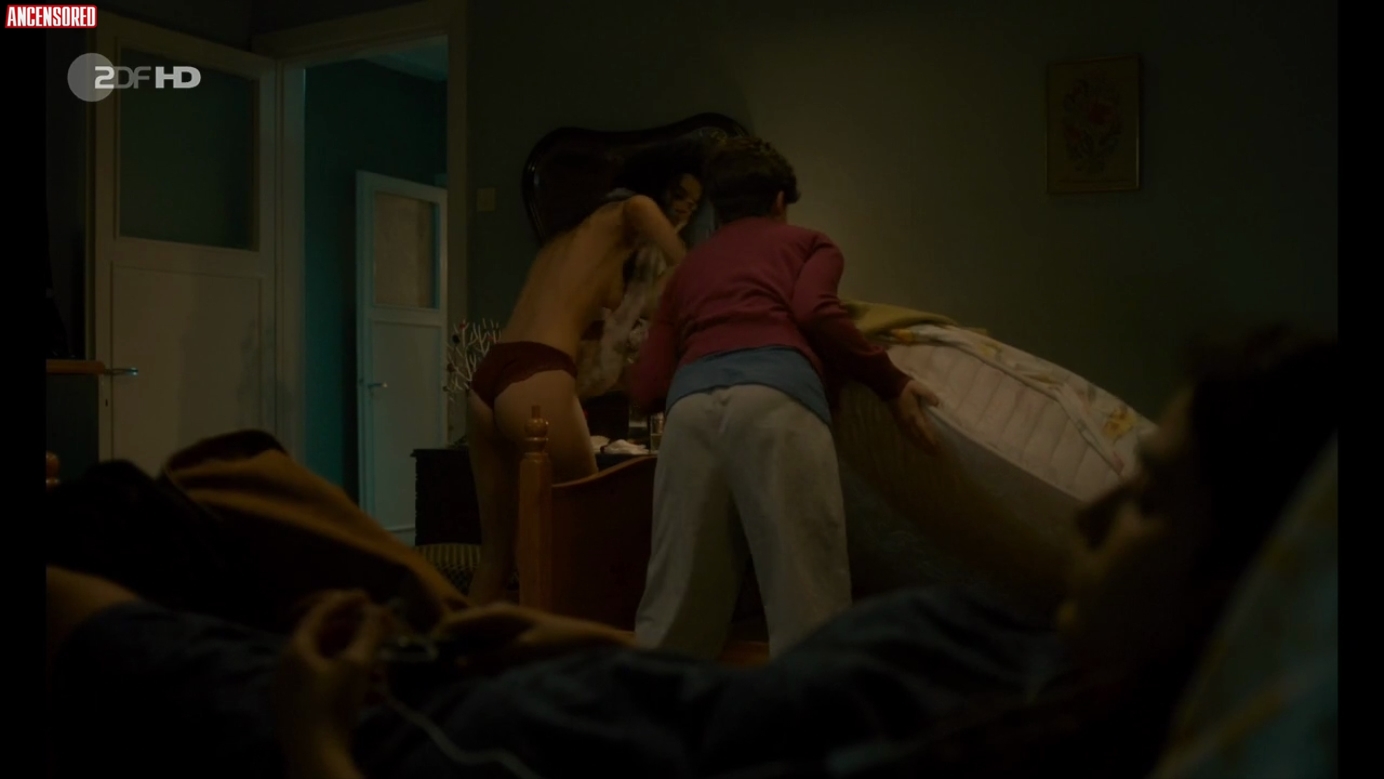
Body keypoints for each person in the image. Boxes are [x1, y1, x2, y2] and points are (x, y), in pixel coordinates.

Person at [44, 325, 1337, 779]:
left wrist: (320, 744)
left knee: (103, 559)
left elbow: (687, 339)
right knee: (170, 497)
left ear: (1244, 593)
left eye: (1149, 504)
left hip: (422, 735)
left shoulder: (1011, 736)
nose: (1095, 515)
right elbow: (763, 699)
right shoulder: (1023, 655)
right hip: (512, 665)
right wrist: (574, 635)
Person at [627, 136, 943, 658]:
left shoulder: (686, 272)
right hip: (777, 401)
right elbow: (815, 310)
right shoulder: (810, 244)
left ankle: (656, 706)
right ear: (779, 201)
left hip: (690, 414)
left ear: (718, 210)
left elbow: (646, 388)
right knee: (806, 602)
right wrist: (892, 383)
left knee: (676, 611)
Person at [465, 138, 709, 606]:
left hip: (488, 379)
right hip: (537, 373)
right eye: (679, 196)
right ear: (657, 186)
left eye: (694, 205)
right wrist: (688, 256)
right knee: (588, 532)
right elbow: (674, 252)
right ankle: (572, 638)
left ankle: (458, 650)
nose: (683, 210)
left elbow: (632, 313)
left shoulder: (571, 240)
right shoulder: (629, 209)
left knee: (496, 556)